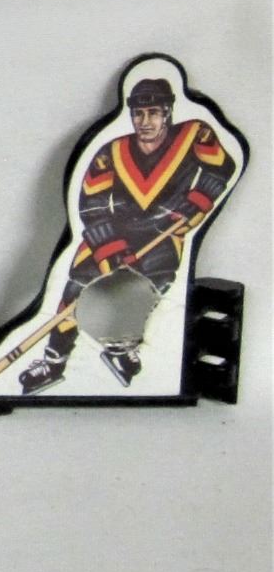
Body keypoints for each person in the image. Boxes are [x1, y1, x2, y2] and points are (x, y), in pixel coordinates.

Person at [20, 77, 236, 393]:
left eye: (153, 113)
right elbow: (92, 202)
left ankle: (120, 350)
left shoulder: (194, 135)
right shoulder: (112, 151)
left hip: (164, 234)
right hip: (112, 235)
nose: (145, 121)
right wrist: (110, 247)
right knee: (75, 293)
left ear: (167, 112)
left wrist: (196, 202)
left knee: (149, 291)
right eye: (139, 114)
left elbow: (222, 167)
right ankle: (53, 364)